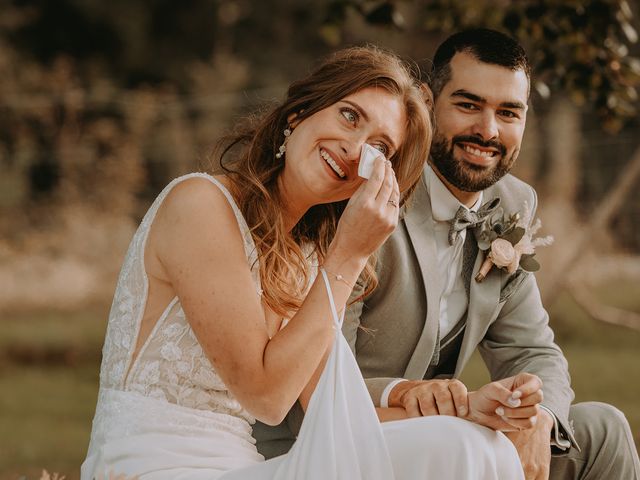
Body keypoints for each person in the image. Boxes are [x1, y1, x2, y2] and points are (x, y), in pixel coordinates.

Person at [81, 45, 537, 480]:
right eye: (349, 115)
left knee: (475, 442)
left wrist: (468, 410)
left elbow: (338, 414)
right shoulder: (200, 204)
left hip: (242, 465)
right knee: (460, 449)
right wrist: (350, 255)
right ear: (299, 112)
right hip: (153, 467)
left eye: (379, 147)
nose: (354, 147)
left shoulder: (306, 256)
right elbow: (266, 397)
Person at [335, 29, 638, 480]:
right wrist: (409, 396)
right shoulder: (368, 199)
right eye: (468, 104)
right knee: (462, 445)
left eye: (508, 112)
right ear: (425, 100)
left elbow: (535, 352)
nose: (488, 131)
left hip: (446, 430)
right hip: (355, 433)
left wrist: (538, 418)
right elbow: (319, 367)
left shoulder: (511, 205)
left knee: (605, 430)